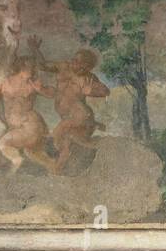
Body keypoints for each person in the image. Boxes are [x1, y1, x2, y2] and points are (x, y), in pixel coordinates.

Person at [29, 41, 108, 172]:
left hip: (81, 116)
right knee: (66, 145)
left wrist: (91, 91)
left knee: (66, 128)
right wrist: (35, 50)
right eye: (74, 59)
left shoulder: (88, 78)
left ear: (87, 67)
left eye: (79, 62)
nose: (73, 63)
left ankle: (51, 139)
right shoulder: (63, 67)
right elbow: (44, 66)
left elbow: (105, 91)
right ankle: (56, 170)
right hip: (68, 117)